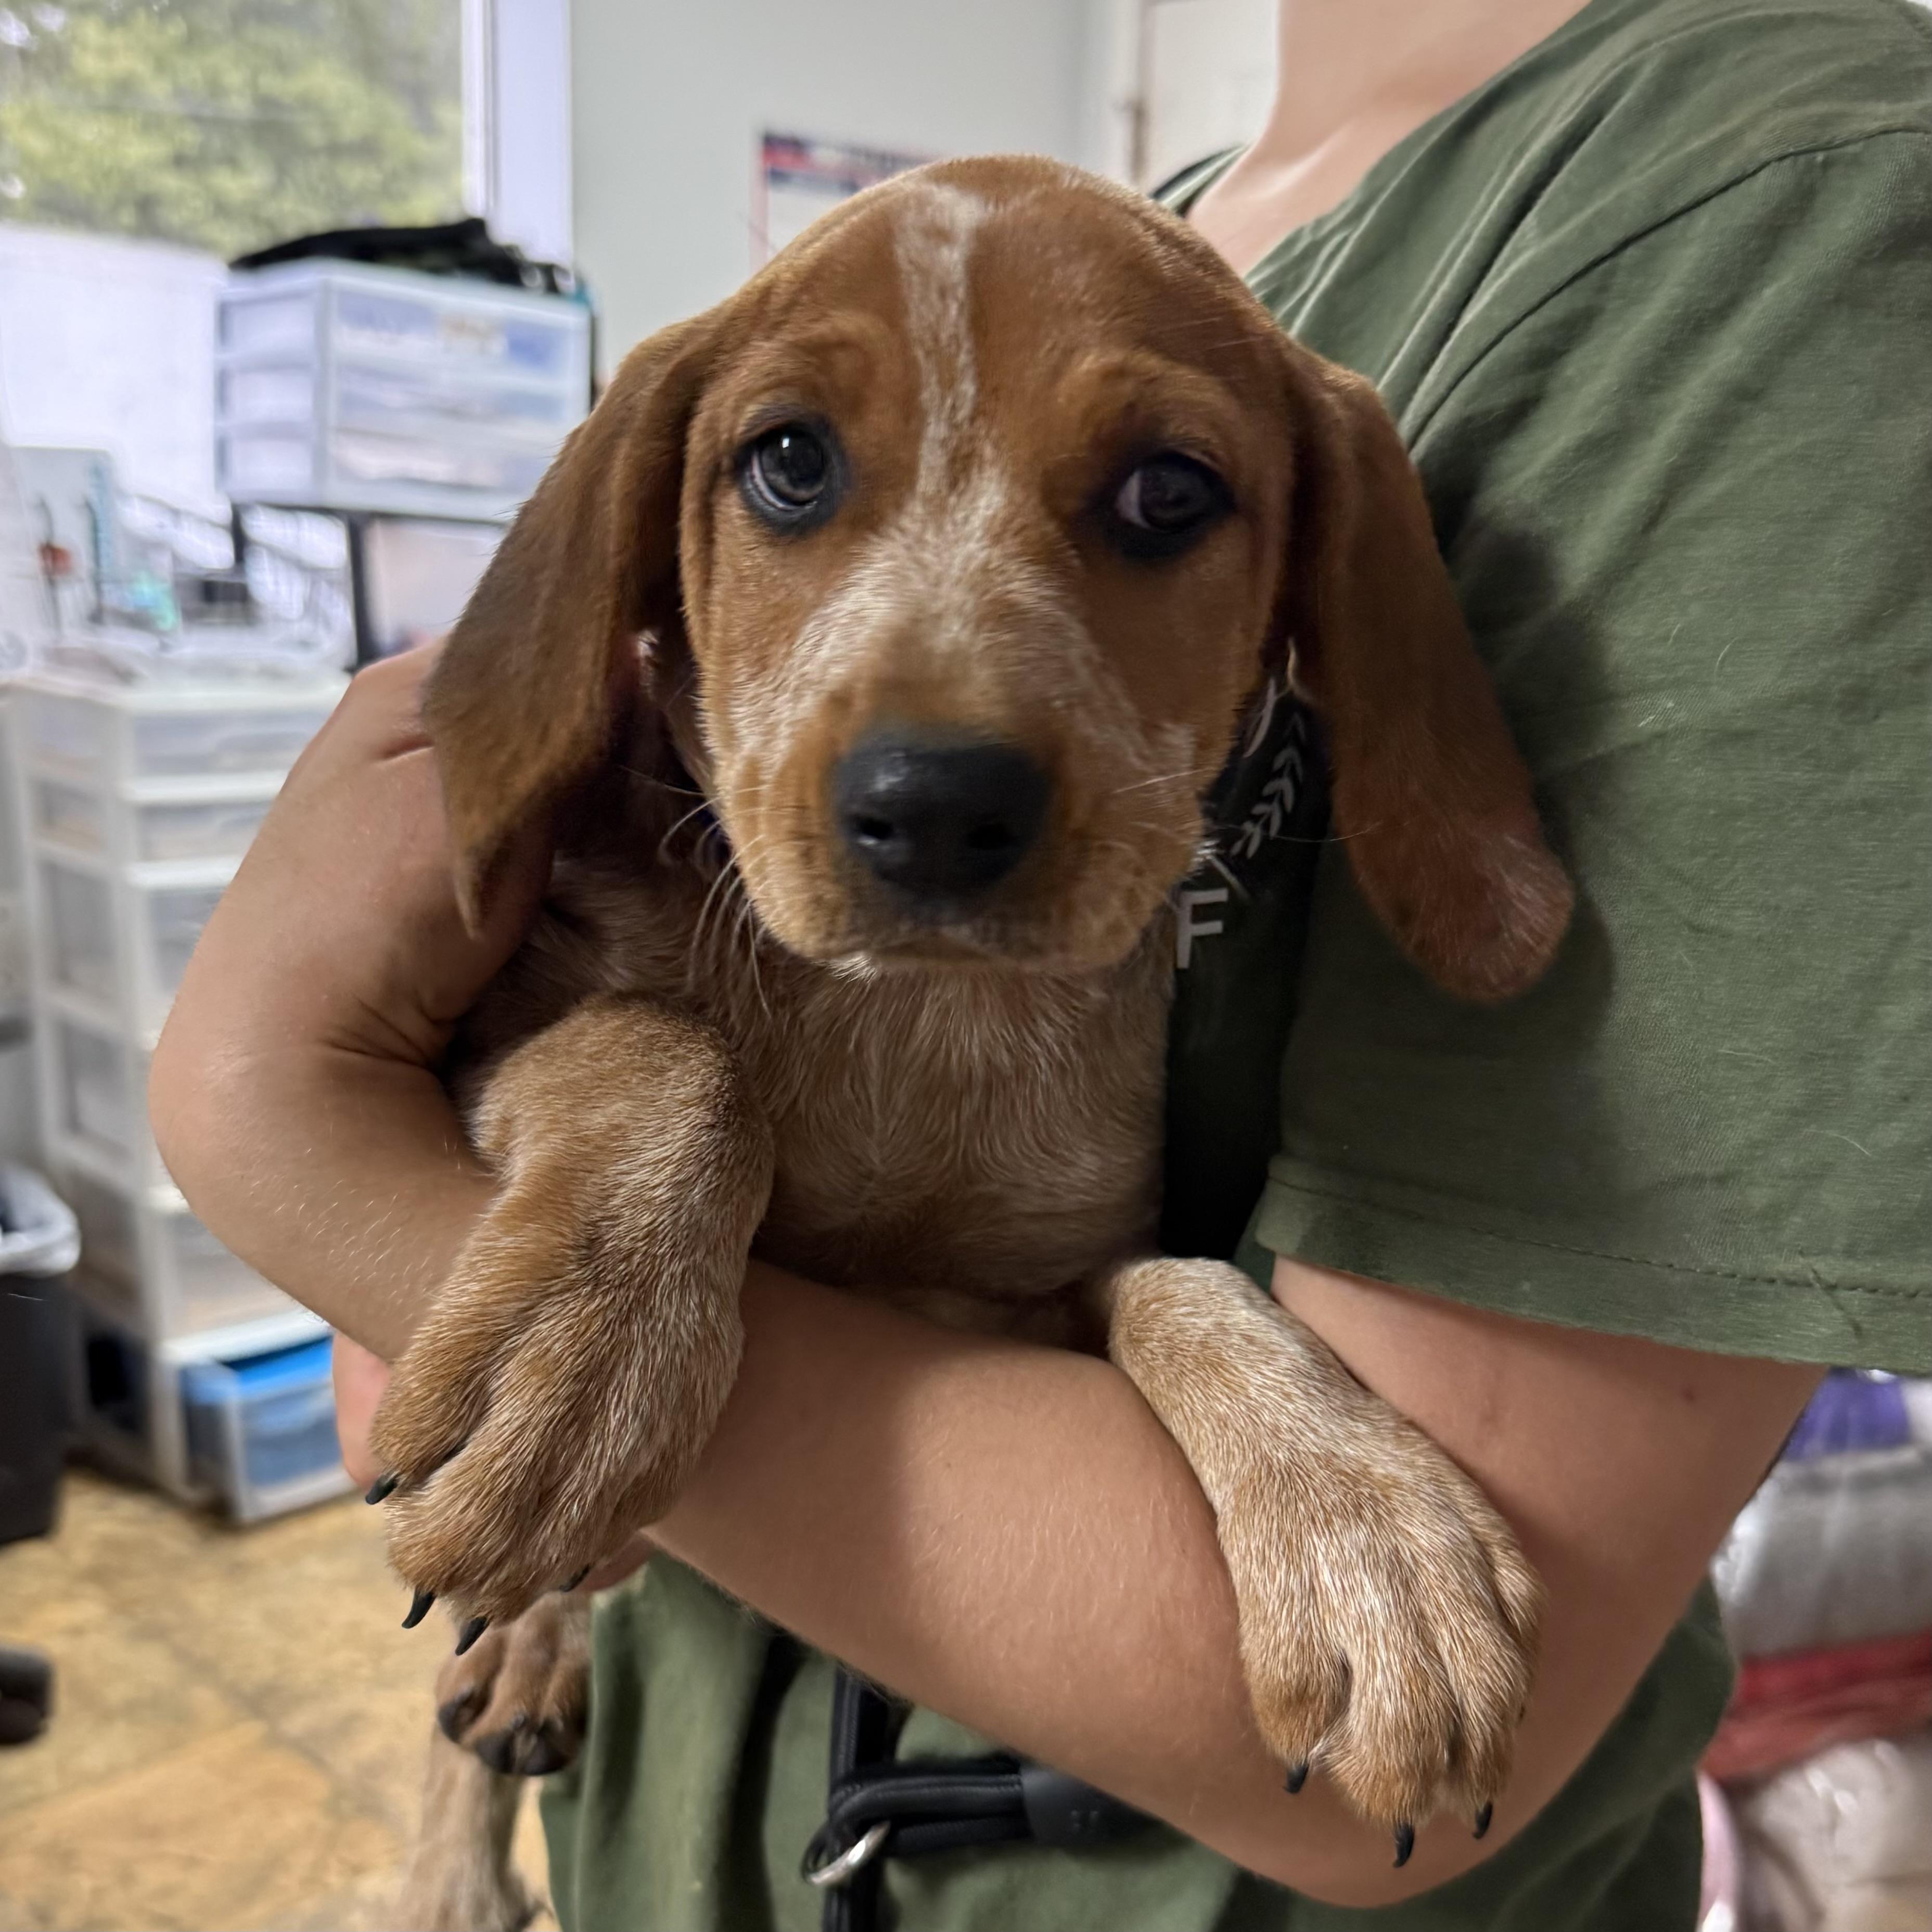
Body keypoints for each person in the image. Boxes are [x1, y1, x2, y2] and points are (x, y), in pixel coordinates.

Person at [150, 0, 1931, 1923]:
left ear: (1303, 599)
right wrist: (578, 1148)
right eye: (790, 474)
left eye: (1158, 501)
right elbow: (398, 1379)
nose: (932, 737)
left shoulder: (1783, 221)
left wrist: (264, 1118)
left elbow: (1310, 1730)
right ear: (650, 553)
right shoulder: (1181, 227)